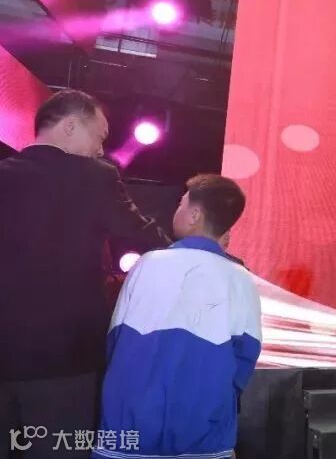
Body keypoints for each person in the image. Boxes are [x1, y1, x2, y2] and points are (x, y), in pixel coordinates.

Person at [0, 89, 171, 455]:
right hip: (64, 359)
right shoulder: (95, 177)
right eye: (99, 136)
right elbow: (143, 237)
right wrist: (200, 256)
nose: (100, 148)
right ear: (70, 126)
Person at [93, 174, 261, 459]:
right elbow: (245, 358)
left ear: (195, 215)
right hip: (205, 436)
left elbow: (114, 341)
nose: (177, 209)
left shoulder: (147, 265)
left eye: (181, 204)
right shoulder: (241, 279)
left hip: (130, 428)